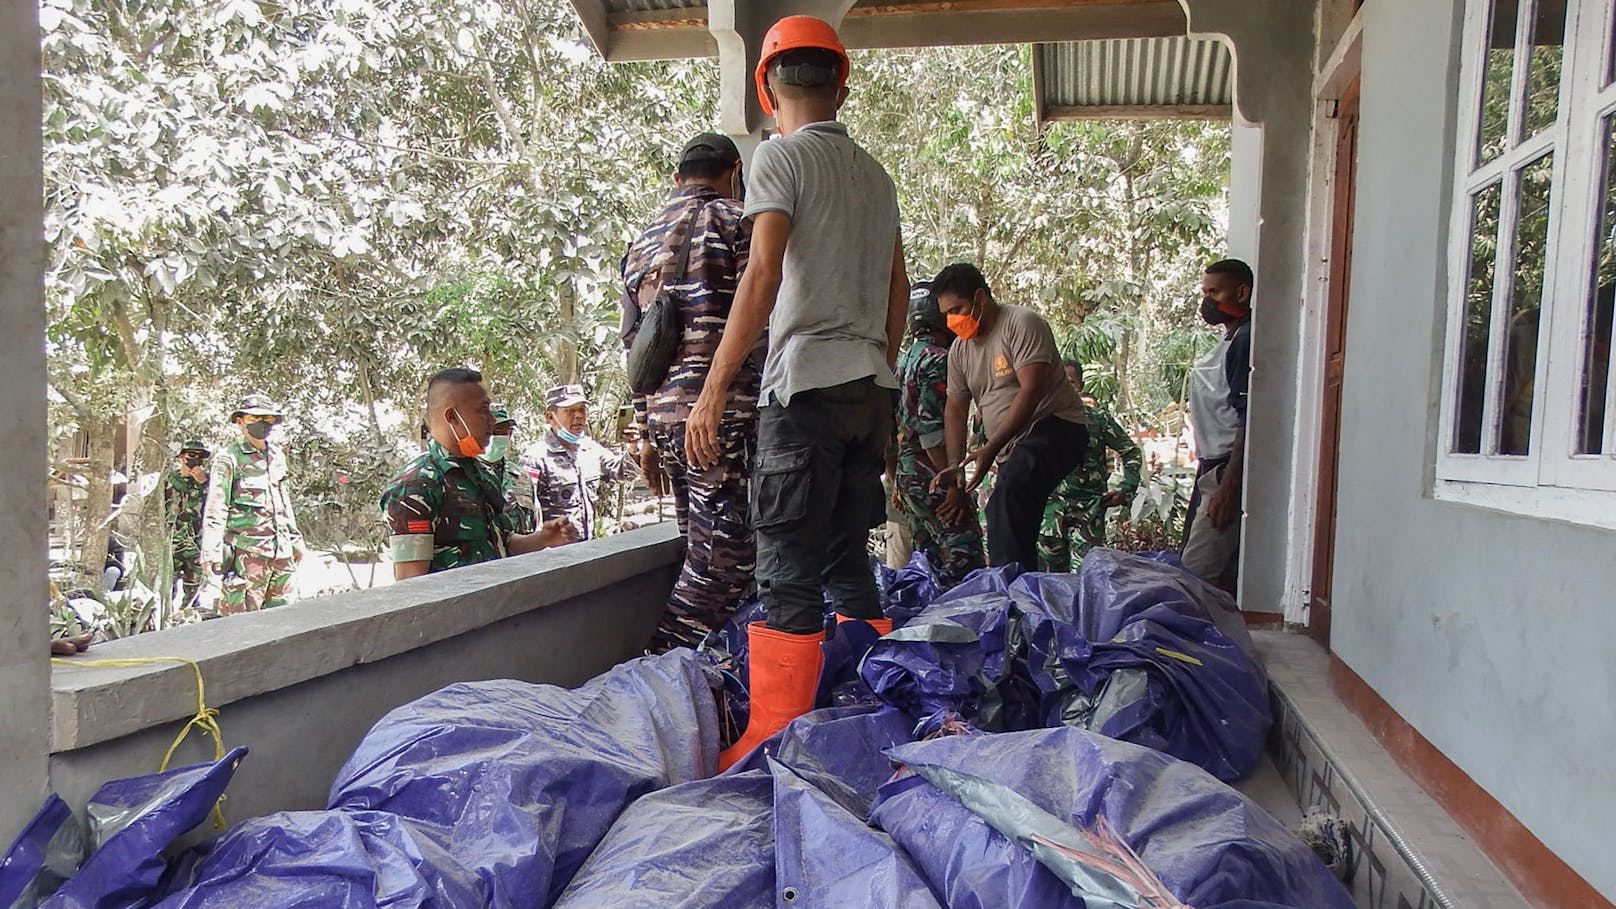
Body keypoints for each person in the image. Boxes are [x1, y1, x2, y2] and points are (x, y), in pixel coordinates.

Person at [682, 15, 909, 770]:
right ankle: (881, 700)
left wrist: (713, 389)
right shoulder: (877, 177)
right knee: (848, 554)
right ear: (842, 82)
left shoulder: (779, 159)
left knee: (785, 562)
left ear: (767, 86)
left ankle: (773, 738)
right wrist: (882, 369)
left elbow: (764, 272)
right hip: (868, 389)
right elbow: (899, 289)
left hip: (805, 389)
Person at [622, 131, 758, 651]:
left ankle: (710, 684)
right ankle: (657, 666)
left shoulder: (642, 240)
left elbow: (636, 347)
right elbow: (758, 313)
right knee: (725, 565)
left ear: (677, 178)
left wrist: (646, 431)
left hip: (666, 422)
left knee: (699, 551)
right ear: (733, 174)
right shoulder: (736, 221)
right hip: (721, 420)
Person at [930, 263, 1089, 570]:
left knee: (1010, 492)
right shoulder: (959, 352)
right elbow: (955, 409)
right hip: (1010, 445)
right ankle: (1021, 587)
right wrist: (954, 470)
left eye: (958, 309)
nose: (953, 321)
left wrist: (991, 447)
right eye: (946, 314)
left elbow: (1030, 391)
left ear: (980, 298)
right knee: (1005, 513)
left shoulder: (1021, 323)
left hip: (1057, 426)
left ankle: (1012, 590)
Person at [381, 369, 575, 579]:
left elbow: (503, 543)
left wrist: (542, 539)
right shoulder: (415, 486)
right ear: (452, 417)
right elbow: (411, 586)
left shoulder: (482, 474)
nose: (491, 420)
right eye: (483, 410)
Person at [895, 280, 985, 587]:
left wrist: (897, 478)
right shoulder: (939, 359)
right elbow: (931, 431)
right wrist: (954, 485)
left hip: (909, 477)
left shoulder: (904, 361)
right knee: (966, 566)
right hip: (933, 474)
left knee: (928, 568)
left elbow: (892, 428)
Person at [1180, 258, 1253, 587]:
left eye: (1215, 292)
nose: (1207, 300)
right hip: (1211, 467)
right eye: (1204, 291)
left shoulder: (1246, 340)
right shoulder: (1229, 339)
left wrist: (1228, 486)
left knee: (1196, 572)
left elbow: (1247, 417)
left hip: (1225, 469)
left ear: (1241, 293)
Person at [200, 394, 306, 614]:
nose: (263, 423)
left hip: (282, 552)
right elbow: (216, 507)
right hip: (247, 554)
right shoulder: (228, 458)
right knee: (244, 625)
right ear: (240, 421)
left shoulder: (277, 456)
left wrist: (296, 540)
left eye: (268, 419)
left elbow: (284, 501)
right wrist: (211, 553)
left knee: (286, 620)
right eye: (255, 418)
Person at [1037, 361, 1142, 573]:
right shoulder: (1037, 420)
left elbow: (1131, 452)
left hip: (1087, 514)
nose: (1065, 388)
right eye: (1059, 382)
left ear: (1081, 386)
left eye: (1071, 382)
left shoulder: (1097, 420)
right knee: (1046, 586)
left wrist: (1126, 489)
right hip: (1048, 516)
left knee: (1087, 578)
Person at [528, 384, 638, 543]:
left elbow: (621, 473)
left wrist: (634, 447)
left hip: (587, 550)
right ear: (550, 417)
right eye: (570, 410)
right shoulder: (536, 458)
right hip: (553, 557)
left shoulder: (590, 449)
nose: (579, 415)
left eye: (582, 409)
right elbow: (525, 517)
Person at [165, 439, 211, 609]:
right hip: (172, 542)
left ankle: (189, 618)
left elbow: (216, 506)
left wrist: (203, 483)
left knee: (194, 590)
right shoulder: (170, 479)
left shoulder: (209, 482)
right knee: (167, 588)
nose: (195, 459)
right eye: (191, 455)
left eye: (200, 457)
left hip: (197, 542)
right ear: (181, 456)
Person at [483, 404, 536, 535]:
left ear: (510, 434)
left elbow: (534, 522)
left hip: (521, 553)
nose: (496, 436)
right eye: (491, 430)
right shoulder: (462, 474)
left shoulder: (522, 477)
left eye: (502, 431)